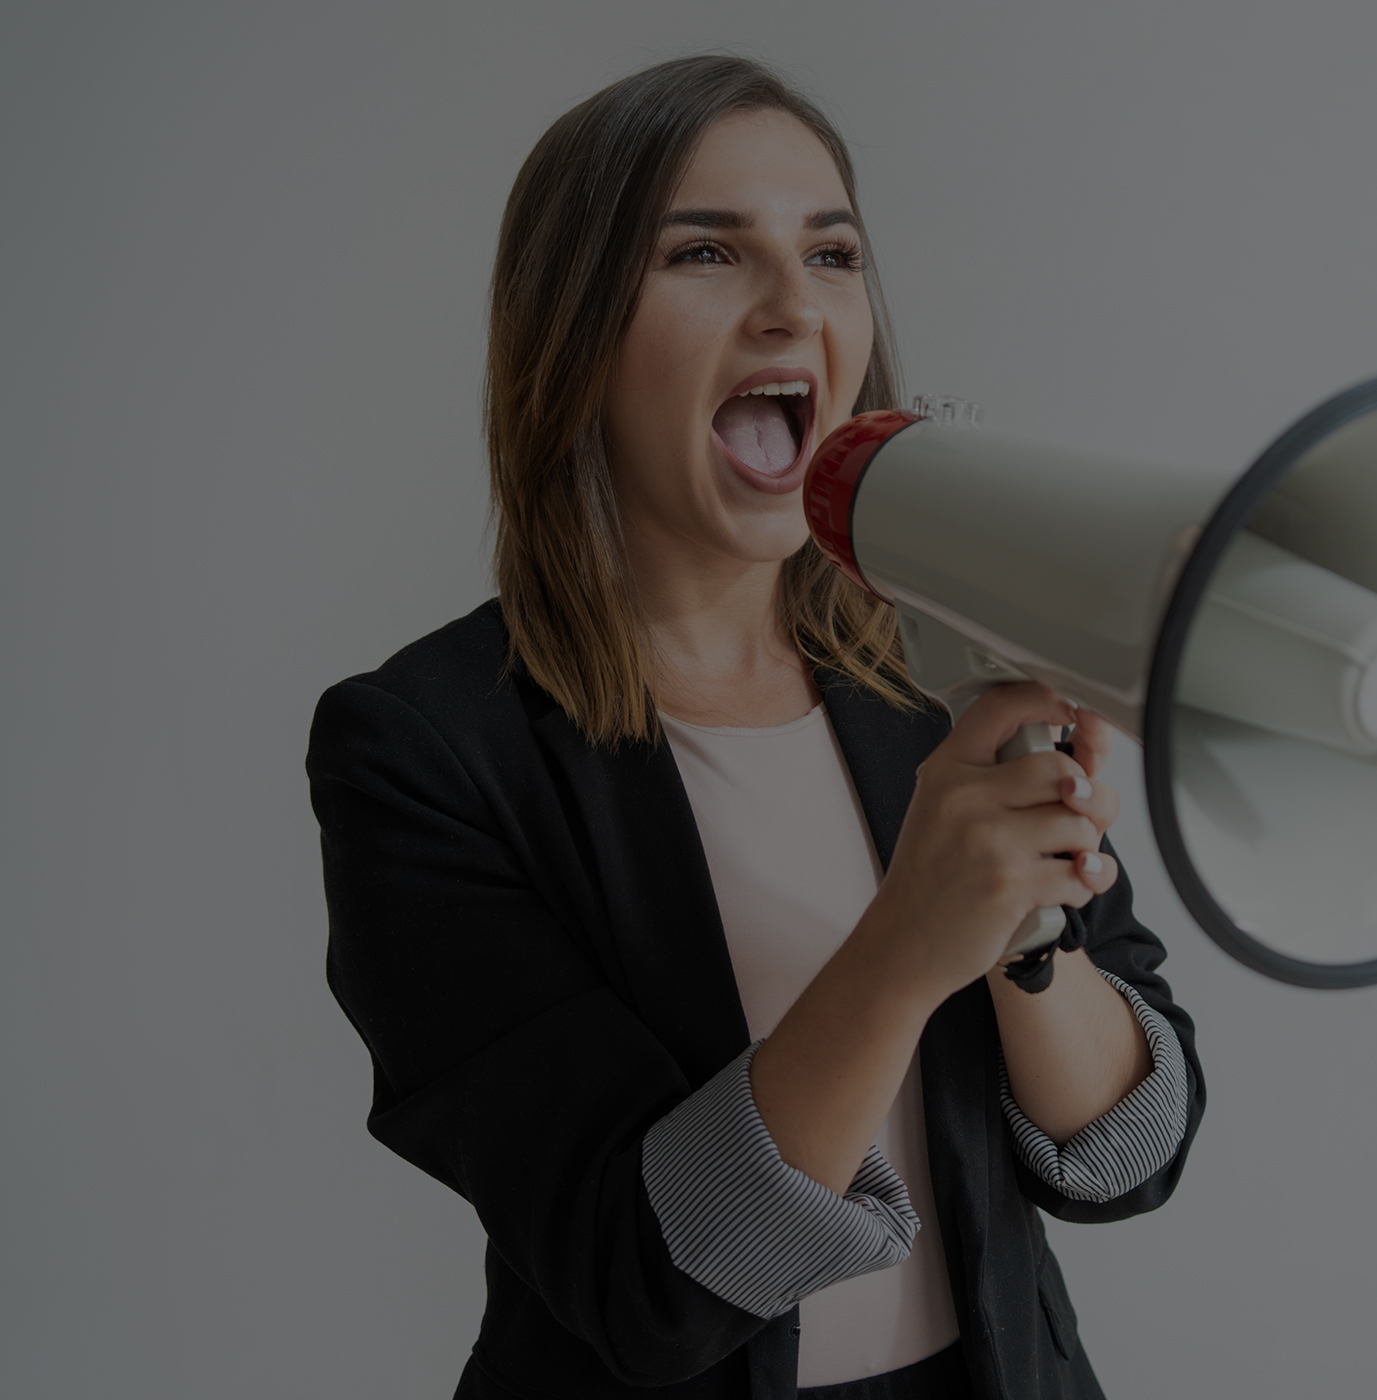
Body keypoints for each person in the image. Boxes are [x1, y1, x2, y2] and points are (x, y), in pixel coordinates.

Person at [305, 54, 1202, 1400]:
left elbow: (1125, 1156)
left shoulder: (935, 673)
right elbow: (646, 1279)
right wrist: (907, 942)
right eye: (708, 252)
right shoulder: (423, 754)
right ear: (576, 334)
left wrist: (1026, 934)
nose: (793, 305)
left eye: (831, 253)